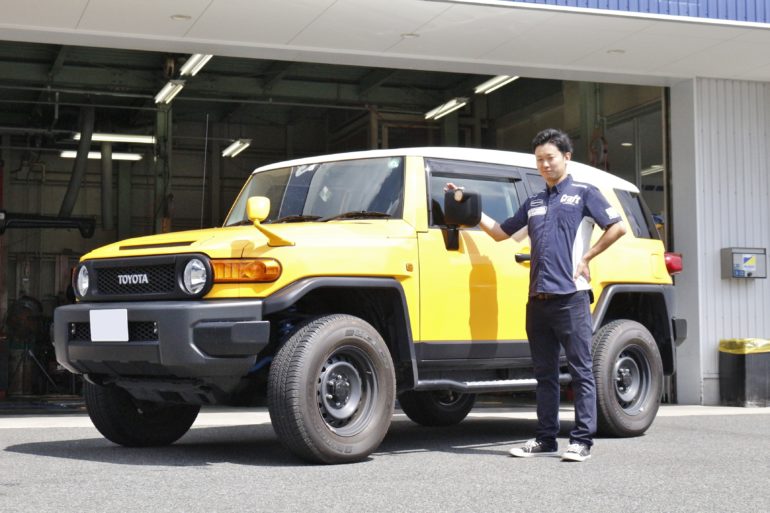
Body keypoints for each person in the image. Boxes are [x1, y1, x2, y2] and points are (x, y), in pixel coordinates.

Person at [447, 128, 626, 462]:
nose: (544, 164)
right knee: (544, 374)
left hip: (571, 297)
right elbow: (501, 233)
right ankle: (545, 438)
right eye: (539, 159)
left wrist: (587, 258)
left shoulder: (585, 193)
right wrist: (467, 204)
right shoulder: (534, 203)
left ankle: (582, 441)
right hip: (538, 300)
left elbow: (617, 227)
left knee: (581, 371)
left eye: (550, 158)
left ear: (566, 157)